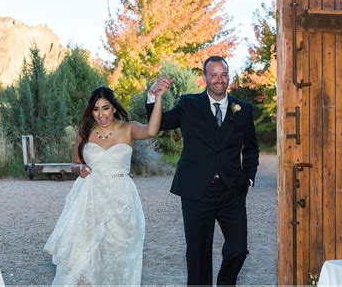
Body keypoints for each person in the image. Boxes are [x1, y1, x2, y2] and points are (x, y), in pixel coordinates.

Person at [146, 56, 259, 286]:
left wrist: (247, 179)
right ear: (205, 77)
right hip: (196, 191)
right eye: (214, 75)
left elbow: (251, 149)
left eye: (224, 74)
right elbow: (160, 124)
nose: (219, 80)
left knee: (238, 250)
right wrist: (154, 97)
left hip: (232, 191)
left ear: (229, 76)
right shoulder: (188, 104)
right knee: (198, 255)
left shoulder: (244, 109)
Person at [44, 85, 169, 285]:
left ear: (113, 108)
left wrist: (158, 98)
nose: (101, 114)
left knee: (118, 255)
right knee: (84, 256)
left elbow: (152, 130)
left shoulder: (129, 128)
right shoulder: (84, 131)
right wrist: (80, 169)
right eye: (96, 109)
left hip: (121, 200)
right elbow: (75, 163)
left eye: (105, 108)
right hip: (89, 199)